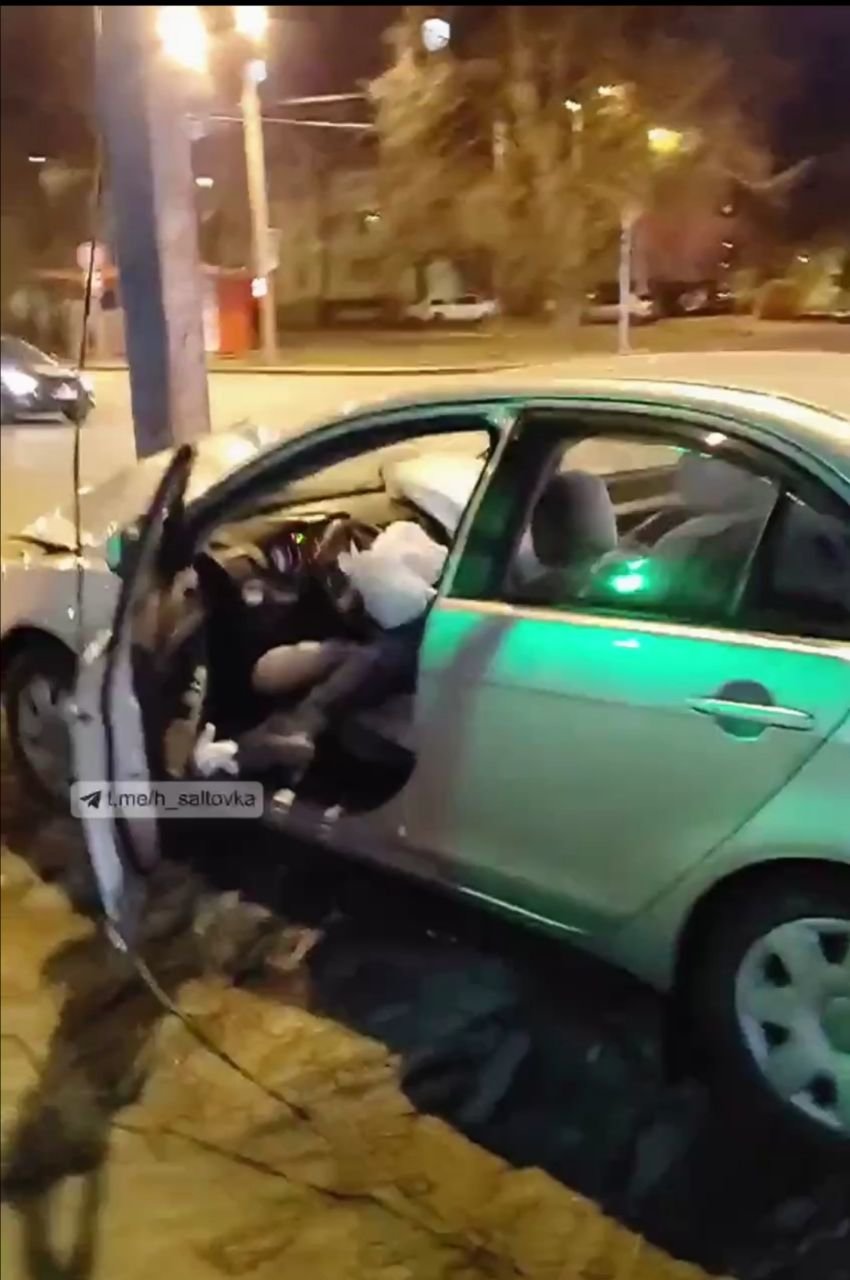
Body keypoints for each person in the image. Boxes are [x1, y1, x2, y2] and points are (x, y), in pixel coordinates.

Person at [194, 521, 447, 778]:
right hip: (386, 646)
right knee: (362, 655)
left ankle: (285, 732)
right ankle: (281, 733)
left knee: (368, 655)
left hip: (410, 649)